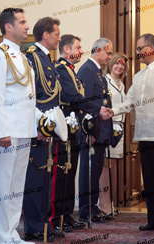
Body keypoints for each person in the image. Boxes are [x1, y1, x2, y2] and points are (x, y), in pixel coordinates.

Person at [109, 33, 154, 234]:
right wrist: (112, 111)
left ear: (151, 48)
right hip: (143, 136)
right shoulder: (138, 76)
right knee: (150, 181)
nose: (138, 53)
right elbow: (129, 101)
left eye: (139, 49)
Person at [0, 8, 42, 244]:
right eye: (22, 22)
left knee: (17, 186)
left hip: (23, 130)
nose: (27, 26)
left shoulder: (23, 56)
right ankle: (0, 237)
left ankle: (11, 233)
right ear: (9, 26)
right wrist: (2, 131)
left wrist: (38, 124)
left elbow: (29, 98)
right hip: (8, 131)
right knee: (2, 184)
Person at [49, 35, 112, 232]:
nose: (81, 50)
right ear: (66, 49)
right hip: (63, 131)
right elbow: (73, 97)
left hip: (74, 130)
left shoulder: (71, 71)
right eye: (78, 47)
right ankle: (57, 217)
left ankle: (67, 215)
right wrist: (97, 108)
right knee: (61, 176)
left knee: (70, 174)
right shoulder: (60, 69)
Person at [22, 17, 64, 241]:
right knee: (35, 180)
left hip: (49, 129)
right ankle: (33, 226)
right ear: (46, 35)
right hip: (39, 129)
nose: (59, 37)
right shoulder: (32, 58)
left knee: (46, 180)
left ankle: (44, 223)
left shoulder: (46, 59)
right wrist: (37, 125)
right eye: (56, 34)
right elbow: (30, 97)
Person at [77, 38, 114, 223]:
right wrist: (88, 132)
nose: (110, 57)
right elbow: (83, 103)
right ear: (98, 50)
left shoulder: (98, 71)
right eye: (108, 53)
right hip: (92, 131)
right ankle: (86, 210)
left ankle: (93, 207)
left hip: (100, 130)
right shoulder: (87, 70)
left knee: (96, 170)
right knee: (88, 171)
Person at [98, 52, 128, 215]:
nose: (119, 66)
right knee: (104, 167)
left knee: (112, 166)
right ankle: (104, 205)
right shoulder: (105, 81)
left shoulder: (121, 84)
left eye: (122, 64)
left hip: (120, 128)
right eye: (117, 63)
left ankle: (108, 203)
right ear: (111, 64)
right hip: (108, 126)